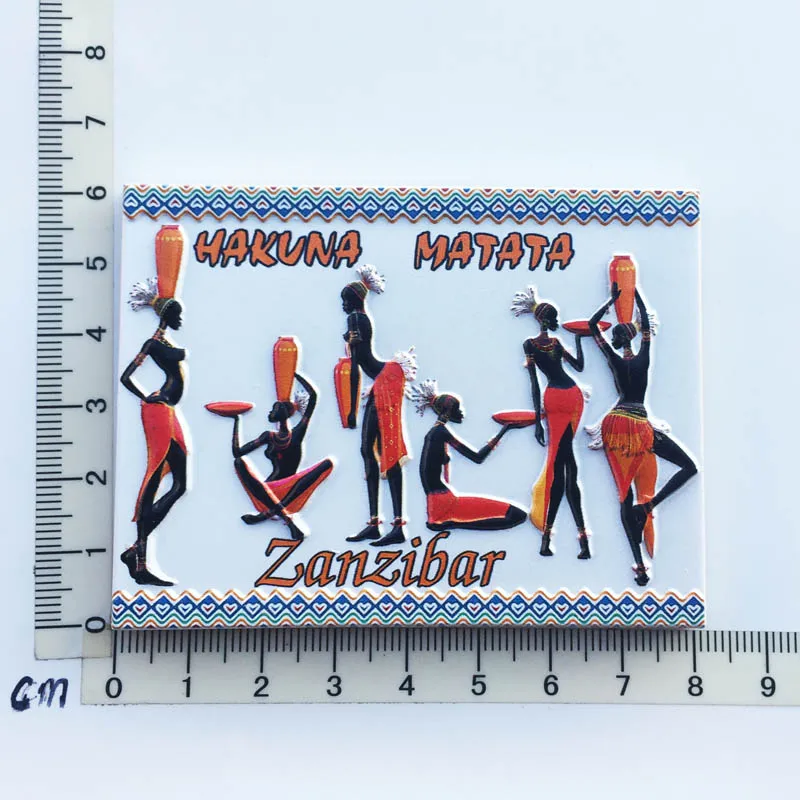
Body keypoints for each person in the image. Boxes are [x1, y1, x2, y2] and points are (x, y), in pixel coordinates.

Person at [587, 283, 697, 586]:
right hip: (637, 423)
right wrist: (635, 293)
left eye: (614, 336)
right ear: (632, 338)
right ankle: (649, 506)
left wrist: (611, 299)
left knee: (624, 494)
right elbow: (646, 323)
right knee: (689, 467)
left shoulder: (614, 360)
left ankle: (639, 563)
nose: (612, 339)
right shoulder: (643, 358)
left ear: (618, 339)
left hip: (615, 426)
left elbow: (593, 326)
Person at [119, 226, 189, 586]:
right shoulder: (153, 342)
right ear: (167, 316)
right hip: (158, 411)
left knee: (180, 483)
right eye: (177, 315)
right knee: (153, 477)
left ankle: (136, 548)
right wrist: (147, 396)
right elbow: (126, 377)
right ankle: (141, 557)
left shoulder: (162, 340)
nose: (181, 319)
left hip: (169, 413)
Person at [511, 286, 591, 559]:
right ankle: (575, 538)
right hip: (557, 399)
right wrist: (537, 420)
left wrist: (578, 339)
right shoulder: (532, 345)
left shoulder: (552, 344)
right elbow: (534, 383)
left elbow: (578, 367)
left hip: (570, 397)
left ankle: (551, 537)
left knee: (562, 465)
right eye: (552, 317)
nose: (554, 322)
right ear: (545, 319)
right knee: (564, 466)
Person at [340, 264, 417, 546]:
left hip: (386, 380)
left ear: (354, 300)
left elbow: (355, 367)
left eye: (345, 300)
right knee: (368, 449)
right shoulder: (359, 319)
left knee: (388, 450)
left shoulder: (355, 319)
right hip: (382, 380)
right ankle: (374, 523)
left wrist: (350, 408)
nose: (342, 305)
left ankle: (397, 525)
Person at [411, 380, 527, 531]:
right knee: (517, 515)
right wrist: (504, 430)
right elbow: (477, 457)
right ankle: (452, 523)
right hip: (446, 503)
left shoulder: (436, 433)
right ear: (447, 412)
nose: (461, 412)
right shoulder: (439, 433)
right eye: (457, 409)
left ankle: (449, 521)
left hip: (439, 501)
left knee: (516, 515)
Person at [229, 373, 333, 540]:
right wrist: (237, 421)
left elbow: (313, 397)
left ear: (283, 413)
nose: (270, 412)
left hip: (292, 489)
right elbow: (237, 452)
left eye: (273, 409)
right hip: (267, 492)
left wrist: (293, 373)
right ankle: (286, 518)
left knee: (327, 464)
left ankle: (269, 514)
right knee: (240, 463)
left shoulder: (297, 433)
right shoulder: (268, 436)